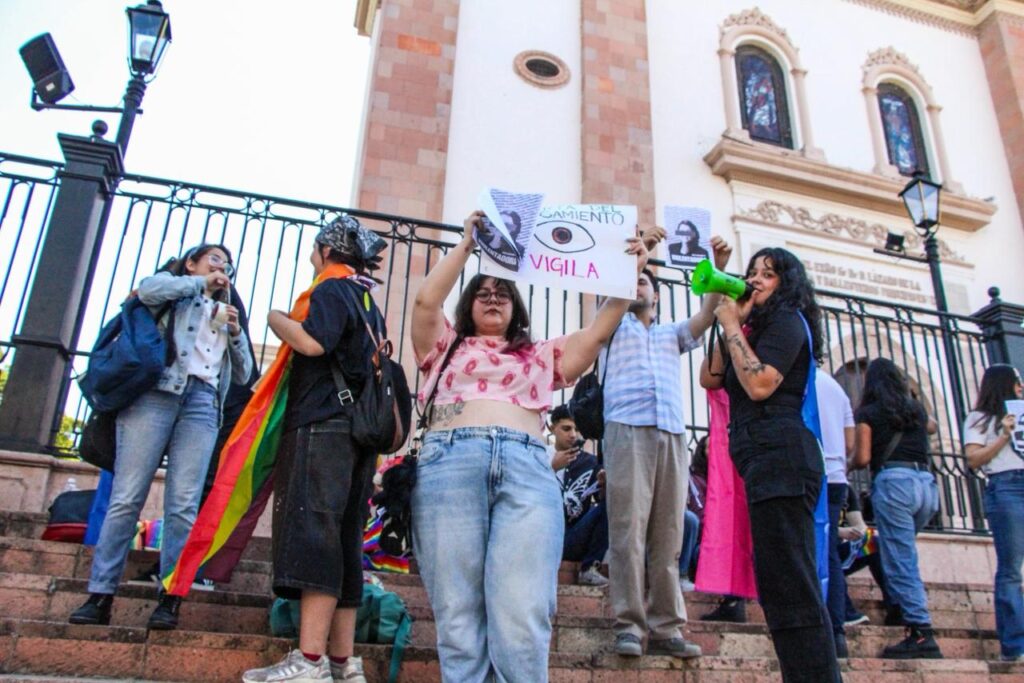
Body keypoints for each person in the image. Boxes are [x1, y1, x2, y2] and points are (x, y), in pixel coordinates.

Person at [409, 210, 648, 683]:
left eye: (502, 292)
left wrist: (628, 275)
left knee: (522, 615)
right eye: (482, 292)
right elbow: (423, 302)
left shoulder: (540, 355)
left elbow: (597, 333)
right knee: (458, 615)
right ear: (468, 307)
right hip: (449, 463)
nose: (493, 296)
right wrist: (465, 247)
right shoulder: (444, 346)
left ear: (517, 307)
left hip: (525, 467)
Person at [70, 244, 253, 630]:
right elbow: (148, 290)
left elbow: (243, 374)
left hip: (203, 403)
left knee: (184, 504)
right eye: (214, 259)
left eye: (227, 263)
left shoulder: (227, 308)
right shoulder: (172, 288)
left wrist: (235, 333)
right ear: (192, 263)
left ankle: (171, 597)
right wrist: (199, 284)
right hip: (155, 395)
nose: (223, 267)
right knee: (127, 497)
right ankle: (100, 594)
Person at [241, 216, 387, 683]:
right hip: (358, 435)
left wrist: (273, 318)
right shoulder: (367, 299)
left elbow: (311, 342)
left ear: (327, 251)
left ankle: (308, 662)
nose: (311, 257)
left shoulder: (329, 290)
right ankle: (343, 665)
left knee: (315, 534)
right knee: (343, 541)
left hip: (322, 426)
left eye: (314, 250)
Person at [701, 247, 841, 682]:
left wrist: (731, 326)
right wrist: (729, 324)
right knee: (779, 584)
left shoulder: (786, 321)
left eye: (769, 274)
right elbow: (711, 377)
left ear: (788, 283)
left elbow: (761, 384)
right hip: (762, 463)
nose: (756, 280)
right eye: (752, 272)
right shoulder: (750, 328)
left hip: (783, 457)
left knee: (791, 584)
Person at [601, 227, 731, 659]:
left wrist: (716, 270)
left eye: (644, 282)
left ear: (656, 296)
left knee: (668, 535)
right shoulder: (613, 324)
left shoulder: (670, 334)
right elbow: (618, 287)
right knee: (627, 530)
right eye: (634, 279)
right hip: (626, 429)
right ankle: (630, 626)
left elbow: (707, 317)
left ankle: (667, 627)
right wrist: (643, 254)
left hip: (671, 434)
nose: (638, 285)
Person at [852, 357, 942, 660]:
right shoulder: (915, 409)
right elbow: (932, 426)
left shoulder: (868, 412)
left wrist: (846, 465)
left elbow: (863, 458)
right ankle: (899, 610)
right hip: (925, 486)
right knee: (899, 552)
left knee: (900, 557)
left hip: (895, 484)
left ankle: (920, 632)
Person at [963, 364, 1024, 662]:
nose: (1021, 387)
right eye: (1017, 383)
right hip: (1006, 485)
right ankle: (1015, 647)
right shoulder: (979, 419)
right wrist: (1002, 435)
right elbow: (973, 459)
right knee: (1011, 568)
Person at [815, 368, 856, 657]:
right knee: (829, 553)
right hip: (836, 476)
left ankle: (818, 627)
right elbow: (850, 442)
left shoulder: (797, 378)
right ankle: (837, 631)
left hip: (809, 471)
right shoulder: (836, 388)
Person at [548, 405, 608, 586]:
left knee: (610, 506)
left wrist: (604, 485)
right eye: (566, 428)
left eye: (577, 429)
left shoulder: (590, 462)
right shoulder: (541, 455)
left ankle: (590, 568)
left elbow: (602, 507)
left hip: (574, 538)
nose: (573, 435)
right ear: (552, 428)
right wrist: (550, 468)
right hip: (545, 536)